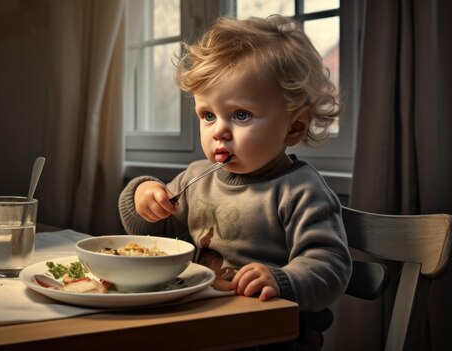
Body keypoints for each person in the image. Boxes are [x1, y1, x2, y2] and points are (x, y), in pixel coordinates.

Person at [118, 15, 352, 350]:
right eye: (207, 115)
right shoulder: (197, 177)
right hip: (206, 321)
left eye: (240, 115)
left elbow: (330, 266)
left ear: (294, 127)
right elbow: (152, 235)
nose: (219, 131)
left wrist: (283, 280)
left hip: (274, 332)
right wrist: (144, 197)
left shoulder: (301, 191)